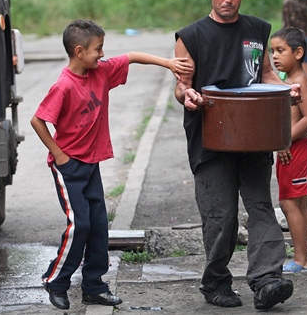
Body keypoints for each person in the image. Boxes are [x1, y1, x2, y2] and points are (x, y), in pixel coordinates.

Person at [31, 19, 192, 310]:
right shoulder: (64, 85)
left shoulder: (101, 72)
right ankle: (56, 280)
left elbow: (131, 56)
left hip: (91, 164)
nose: (102, 55)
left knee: (99, 226)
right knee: (79, 225)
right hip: (68, 167)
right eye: (98, 49)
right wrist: (59, 154)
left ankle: (94, 285)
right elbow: (38, 120)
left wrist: (168, 62)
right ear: (79, 52)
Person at [173, 0, 296, 310]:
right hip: (210, 139)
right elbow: (181, 86)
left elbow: (267, 74)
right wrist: (189, 96)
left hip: (255, 134)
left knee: (260, 207)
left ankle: (267, 279)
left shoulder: (257, 29)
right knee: (221, 216)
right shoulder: (191, 36)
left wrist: (288, 88)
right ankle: (215, 282)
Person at [270, 27, 307, 274]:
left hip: (296, 149)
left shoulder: (300, 81)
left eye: (281, 50)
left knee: (290, 204)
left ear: (298, 52)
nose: (275, 56)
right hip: (289, 149)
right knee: (297, 204)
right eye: (272, 51)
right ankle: (303, 257)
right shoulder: (284, 78)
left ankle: (302, 260)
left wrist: (285, 140)